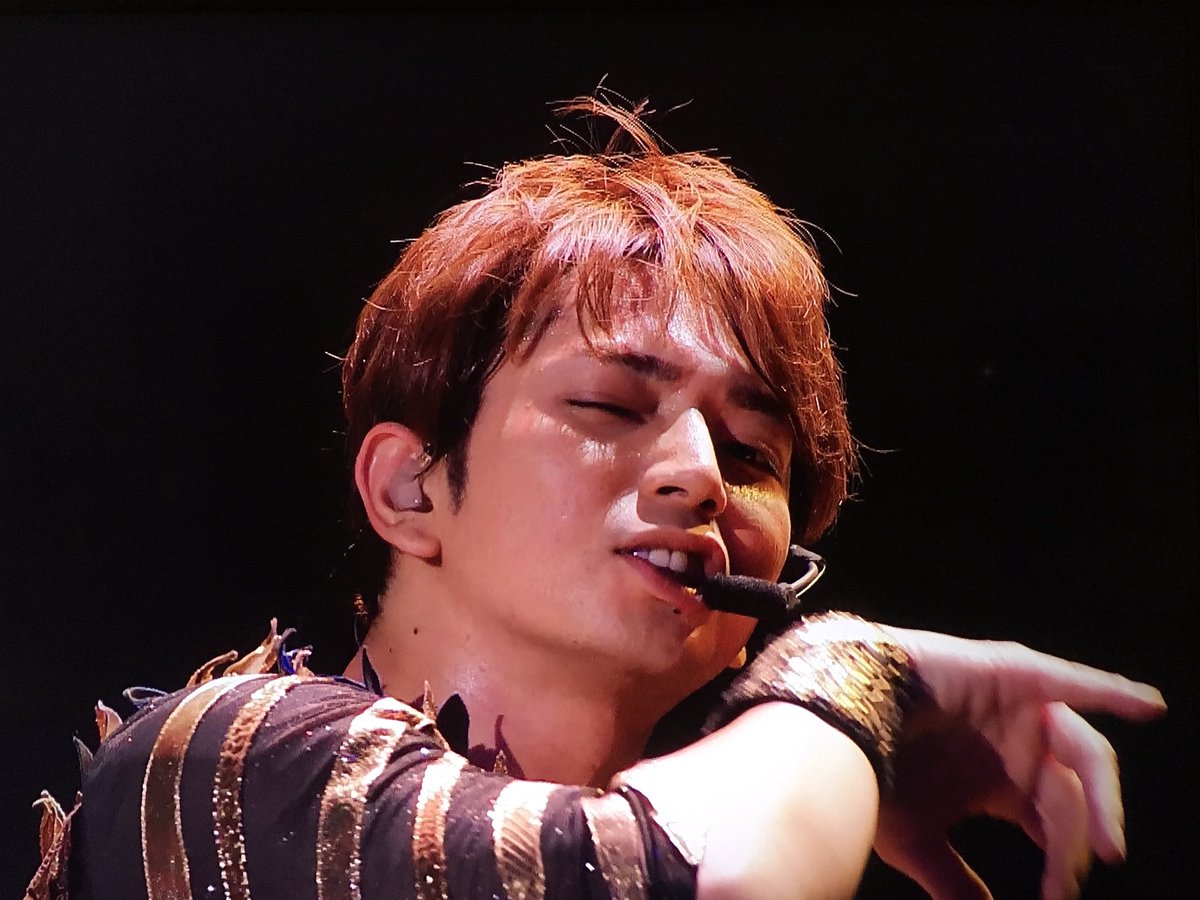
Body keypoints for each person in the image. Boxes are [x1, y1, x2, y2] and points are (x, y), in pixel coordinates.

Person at [27, 97, 1165, 900]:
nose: (702, 474)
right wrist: (845, 679)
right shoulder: (223, 761)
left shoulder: (785, 812)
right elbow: (712, 880)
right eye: (611, 406)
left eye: (753, 451)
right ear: (408, 488)